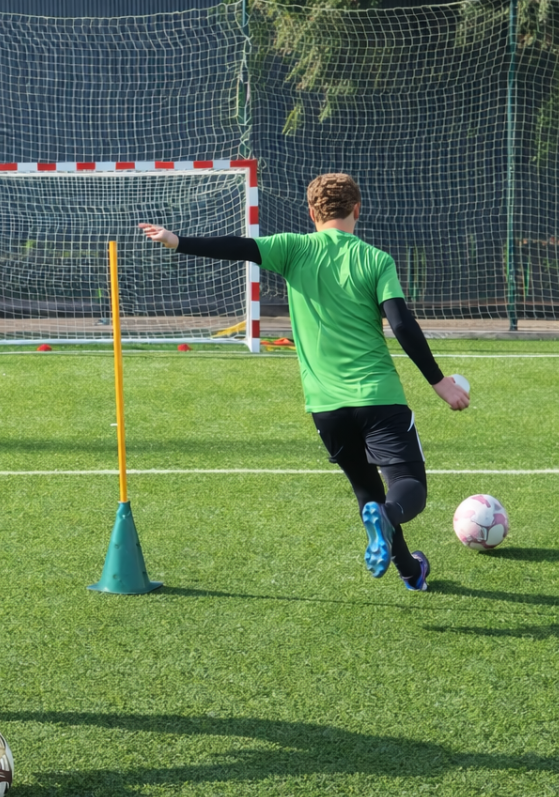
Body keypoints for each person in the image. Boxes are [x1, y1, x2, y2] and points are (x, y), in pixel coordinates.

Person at [140, 172, 469, 591]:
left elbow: (237, 246)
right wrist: (439, 382)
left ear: (312, 213)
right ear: (357, 209)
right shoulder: (375, 259)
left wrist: (177, 240)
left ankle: (411, 571)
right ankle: (388, 519)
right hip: (378, 397)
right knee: (408, 489)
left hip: (326, 408)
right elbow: (401, 323)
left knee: (368, 493)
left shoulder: (292, 249)